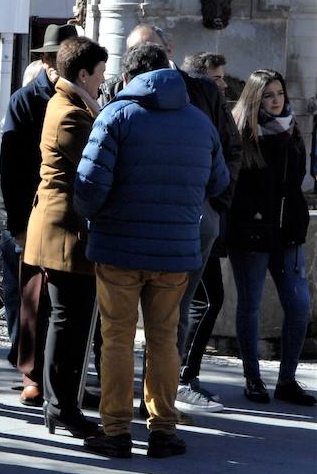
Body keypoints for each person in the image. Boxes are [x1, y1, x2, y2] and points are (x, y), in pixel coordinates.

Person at [75, 42, 229, 459]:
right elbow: (219, 182)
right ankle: (163, 430)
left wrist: (93, 219)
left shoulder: (116, 116)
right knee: (164, 340)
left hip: (118, 247)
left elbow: (88, 186)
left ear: (127, 77)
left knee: (118, 339)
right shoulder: (199, 122)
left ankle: (117, 430)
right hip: (175, 250)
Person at [104, 26, 242, 420]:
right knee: (152, 328)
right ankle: (159, 418)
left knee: (156, 324)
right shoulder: (117, 98)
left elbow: (228, 154)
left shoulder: (197, 95)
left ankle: (130, 418)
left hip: (175, 226)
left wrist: (210, 207)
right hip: (168, 229)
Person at [23, 36, 108, 438]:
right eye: (100, 73)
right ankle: (61, 406)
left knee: (69, 321)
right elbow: (95, 166)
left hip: (65, 229)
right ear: (83, 73)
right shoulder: (70, 112)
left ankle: (63, 404)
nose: (103, 80)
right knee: (67, 321)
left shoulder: (75, 104)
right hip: (64, 231)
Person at [0, 23, 77, 406]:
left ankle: (60, 375)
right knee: (32, 301)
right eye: (56, 58)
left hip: (71, 217)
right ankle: (29, 373)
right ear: (47, 61)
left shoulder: (81, 100)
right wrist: (15, 225)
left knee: (63, 305)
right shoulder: (26, 101)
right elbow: (11, 169)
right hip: (32, 215)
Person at [227, 69, 314, 407]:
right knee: (250, 305)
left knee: (299, 305)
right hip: (250, 233)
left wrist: (296, 218)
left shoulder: (292, 130)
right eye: (269, 95)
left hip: (288, 233)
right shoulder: (242, 133)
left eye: (280, 94)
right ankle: (253, 377)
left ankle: (287, 379)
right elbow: (233, 186)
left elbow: (296, 181)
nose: (276, 100)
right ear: (255, 98)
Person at [175, 51, 234, 413]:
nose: (224, 84)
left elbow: (232, 153)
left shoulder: (216, 108)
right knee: (194, 302)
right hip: (194, 221)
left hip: (209, 215)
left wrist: (221, 199)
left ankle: (186, 375)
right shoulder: (190, 111)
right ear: (200, 80)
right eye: (217, 78)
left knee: (207, 299)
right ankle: (181, 378)